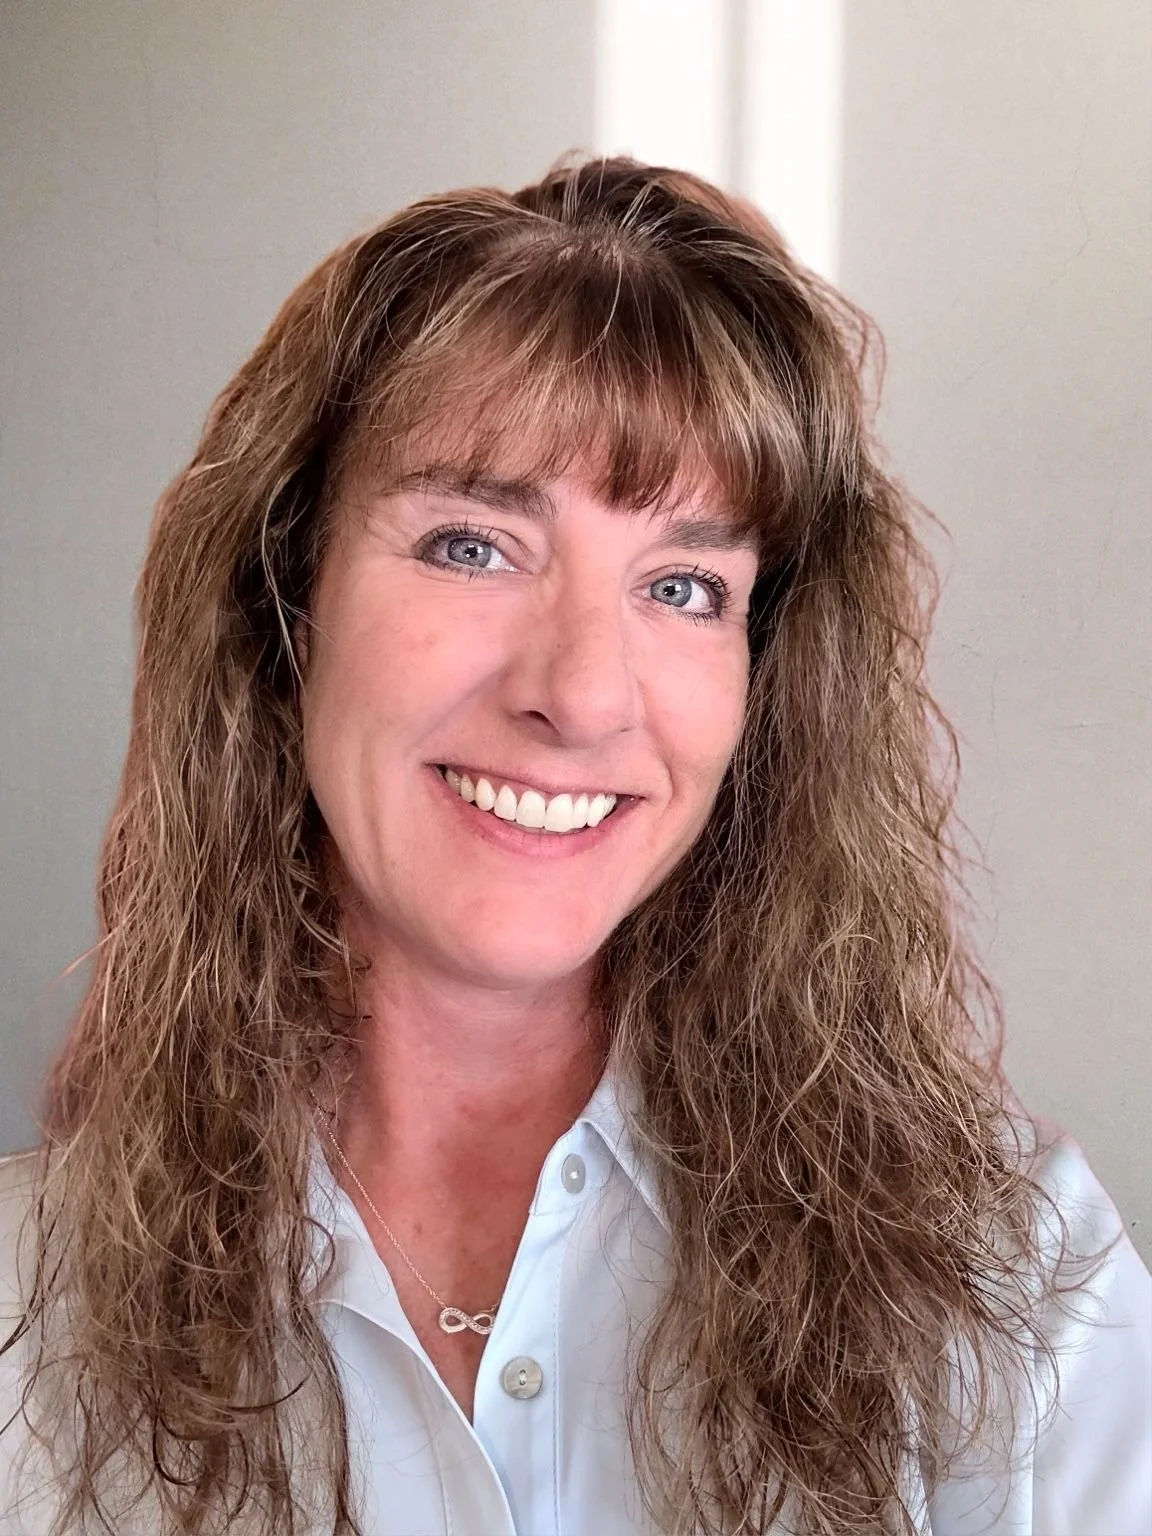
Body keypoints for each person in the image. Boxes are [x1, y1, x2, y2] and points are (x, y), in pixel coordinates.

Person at [0, 156, 1148, 1536]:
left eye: (683, 586)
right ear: (282, 604)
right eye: (473, 546)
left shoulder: (1020, 1281)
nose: (584, 693)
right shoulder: (24, 1314)